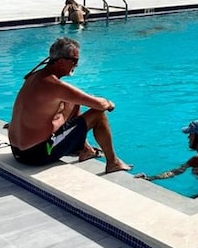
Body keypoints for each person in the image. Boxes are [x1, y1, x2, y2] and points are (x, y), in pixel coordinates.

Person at [7, 37, 131, 174]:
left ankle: (85, 149)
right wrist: (108, 103)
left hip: (17, 150)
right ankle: (113, 162)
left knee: (73, 102)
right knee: (98, 114)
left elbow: (77, 98)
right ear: (60, 62)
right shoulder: (55, 85)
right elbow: (100, 105)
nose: (76, 65)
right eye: (74, 61)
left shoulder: (34, 76)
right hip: (38, 153)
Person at [135, 119, 198, 192]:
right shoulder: (195, 160)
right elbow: (174, 172)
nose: (188, 137)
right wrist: (150, 178)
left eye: (191, 134)